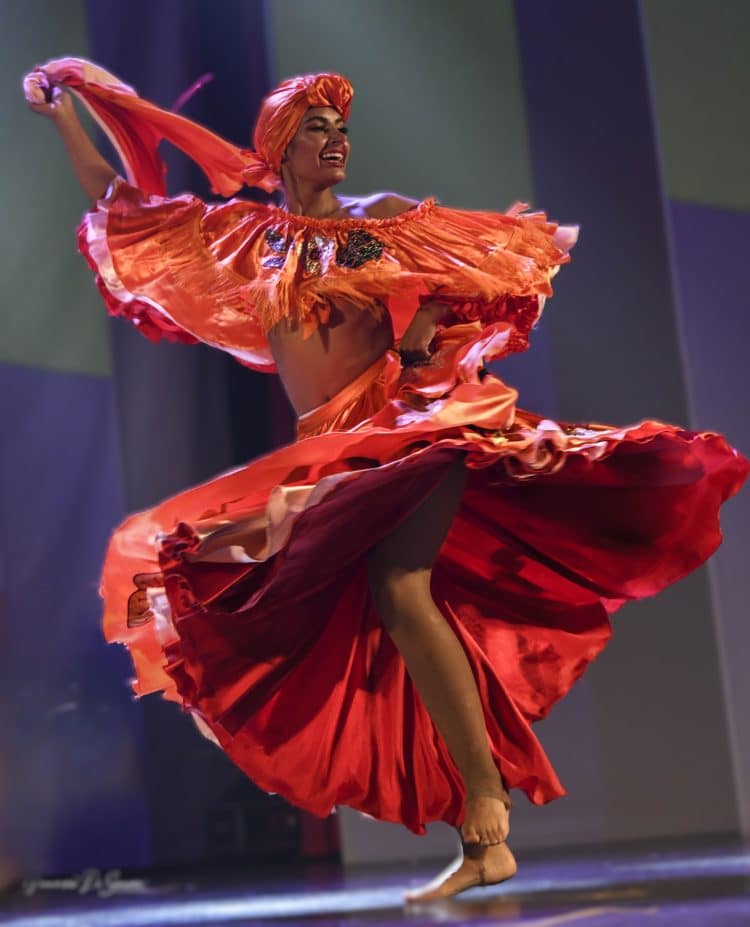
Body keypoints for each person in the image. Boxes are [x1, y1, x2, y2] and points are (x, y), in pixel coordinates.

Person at [24, 57, 750, 903]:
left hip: (406, 429)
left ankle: (486, 811)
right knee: (297, 604)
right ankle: (482, 834)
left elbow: (482, 274)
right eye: (316, 129)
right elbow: (123, 203)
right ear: (279, 147)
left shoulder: (380, 223)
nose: (337, 141)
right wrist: (66, 111)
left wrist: (425, 328)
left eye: (342, 128)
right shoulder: (243, 238)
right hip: (329, 454)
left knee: (400, 589)